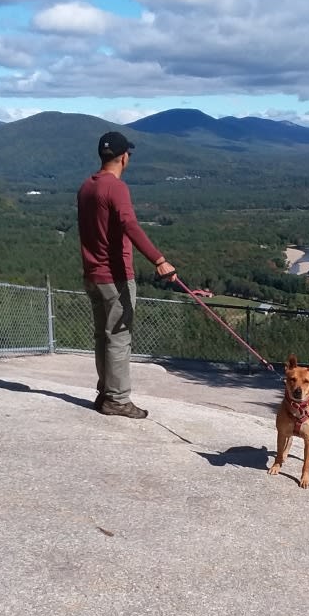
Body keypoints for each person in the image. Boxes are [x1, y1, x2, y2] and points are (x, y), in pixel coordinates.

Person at [77, 131, 177, 419]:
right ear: (124, 157)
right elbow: (129, 225)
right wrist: (159, 260)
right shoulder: (116, 188)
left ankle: (105, 393)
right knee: (119, 338)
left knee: (102, 337)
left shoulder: (86, 187)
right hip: (115, 277)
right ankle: (118, 399)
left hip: (92, 275)